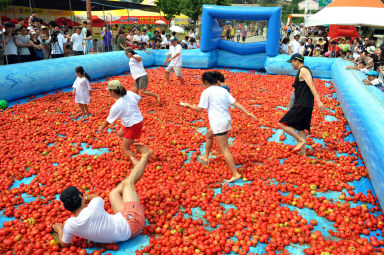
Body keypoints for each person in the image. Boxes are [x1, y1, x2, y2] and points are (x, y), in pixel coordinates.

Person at [52, 143, 150, 246]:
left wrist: (60, 229)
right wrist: (85, 197)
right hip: (134, 223)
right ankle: (145, 155)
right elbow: (95, 197)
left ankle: (136, 169)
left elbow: (64, 243)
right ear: (81, 197)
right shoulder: (94, 206)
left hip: (124, 231)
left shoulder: (70, 224)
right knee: (128, 183)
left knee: (113, 193)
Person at [181, 71, 256, 183]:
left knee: (224, 149)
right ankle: (206, 156)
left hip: (218, 123)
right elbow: (235, 103)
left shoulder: (206, 92)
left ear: (206, 82)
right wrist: (247, 112)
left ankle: (235, 174)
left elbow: (200, 109)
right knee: (209, 135)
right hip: (226, 120)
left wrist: (188, 106)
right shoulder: (223, 90)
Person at [278, 54, 326, 157]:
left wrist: (319, 101)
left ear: (297, 61)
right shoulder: (301, 72)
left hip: (302, 104)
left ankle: (300, 140)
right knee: (300, 129)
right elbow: (294, 92)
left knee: (281, 123)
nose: (291, 64)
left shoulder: (303, 70)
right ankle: (303, 154)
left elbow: (311, 85)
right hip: (305, 104)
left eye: (292, 62)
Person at [98, 80, 144, 164]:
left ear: (112, 92)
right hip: (134, 121)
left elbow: (109, 120)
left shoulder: (117, 105)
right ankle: (136, 144)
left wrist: (102, 127)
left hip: (133, 125)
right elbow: (138, 98)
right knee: (120, 134)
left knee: (124, 149)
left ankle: (137, 165)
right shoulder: (129, 93)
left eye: (109, 91)